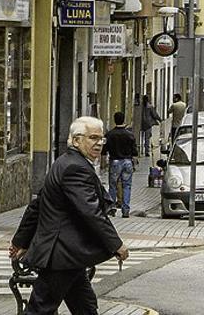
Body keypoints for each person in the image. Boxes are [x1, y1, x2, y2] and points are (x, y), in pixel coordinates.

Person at [9, 116, 129, 314]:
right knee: (41, 309)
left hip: (69, 256)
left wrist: (19, 241)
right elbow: (91, 213)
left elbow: (37, 205)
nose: (99, 143)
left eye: (101, 139)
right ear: (76, 140)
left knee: (86, 307)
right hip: (62, 254)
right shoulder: (75, 168)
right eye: (93, 138)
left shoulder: (66, 162)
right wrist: (116, 244)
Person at [104, 112, 137, 218]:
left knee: (113, 186)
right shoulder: (130, 135)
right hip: (127, 162)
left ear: (114, 120)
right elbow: (135, 152)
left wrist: (103, 163)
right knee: (127, 186)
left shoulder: (109, 134)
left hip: (115, 162)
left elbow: (104, 151)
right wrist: (134, 164)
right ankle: (126, 209)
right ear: (123, 120)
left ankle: (112, 208)